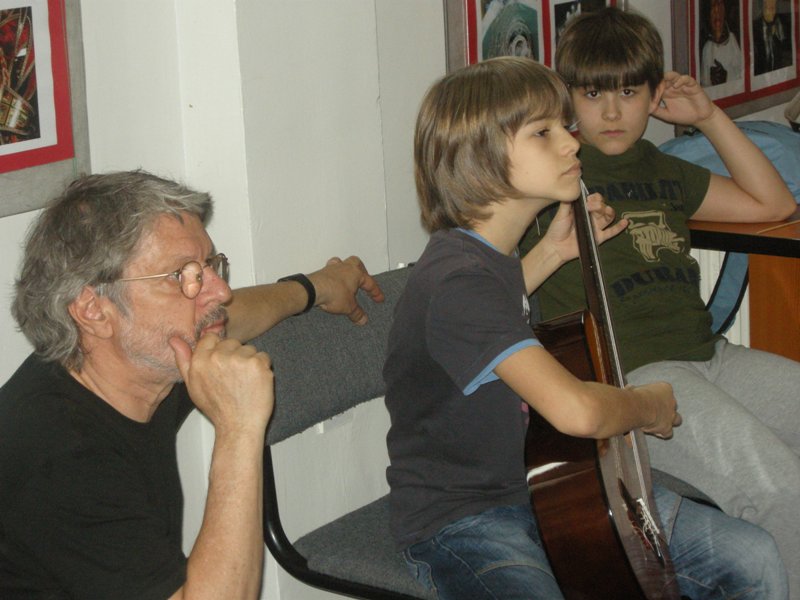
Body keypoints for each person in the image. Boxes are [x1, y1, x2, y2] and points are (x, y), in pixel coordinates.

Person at [384, 56, 787, 600]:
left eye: (564, 126)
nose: (571, 143)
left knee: (752, 557)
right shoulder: (457, 281)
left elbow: (498, 304)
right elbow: (578, 412)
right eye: (543, 132)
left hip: (556, 483)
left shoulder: (488, 258)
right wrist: (648, 404)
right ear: (479, 157)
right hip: (467, 518)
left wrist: (553, 253)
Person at [520, 6, 800, 597]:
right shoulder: (551, 176)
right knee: (780, 486)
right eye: (593, 93)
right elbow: (485, 287)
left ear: (653, 95)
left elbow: (774, 205)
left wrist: (710, 117)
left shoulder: (663, 168)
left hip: (711, 358)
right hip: (639, 382)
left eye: (629, 92)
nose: (612, 112)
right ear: (567, 99)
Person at [0, 170, 384, 599]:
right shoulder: (59, 461)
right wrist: (239, 428)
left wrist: (314, 288)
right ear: (93, 309)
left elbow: (234, 316)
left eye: (209, 266)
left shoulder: (126, 360)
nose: (219, 291)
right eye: (179, 275)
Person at [700, 0, 743, 86]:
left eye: (719, 4)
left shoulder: (736, 40)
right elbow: (704, 85)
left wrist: (726, 77)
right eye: (713, 6)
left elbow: (745, 76)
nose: (717, 10)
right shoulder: (706, 48)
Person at [753, 0, 793, 75]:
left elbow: (788, 51)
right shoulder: (755, 27)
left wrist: (776, 35)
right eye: (767, 8)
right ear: (762, 8)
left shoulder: (783, 23)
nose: (770, 12)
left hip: (782, 73)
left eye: (773, 8)